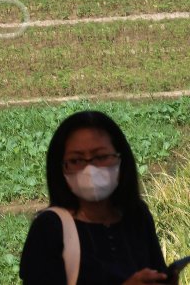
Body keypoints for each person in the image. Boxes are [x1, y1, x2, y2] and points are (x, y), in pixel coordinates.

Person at [20, 110, 176, 285]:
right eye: (76, 161)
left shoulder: (136, 215)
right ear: (61, 168)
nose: (90, 170)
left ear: (121, 159)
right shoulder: (50, 228)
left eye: (101, 157)